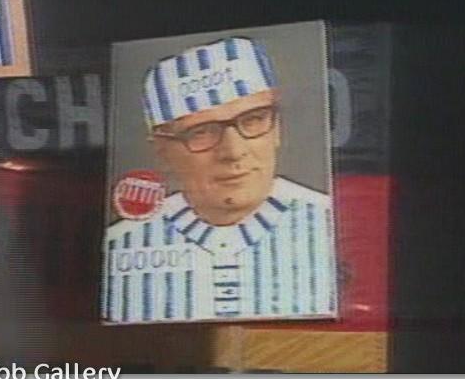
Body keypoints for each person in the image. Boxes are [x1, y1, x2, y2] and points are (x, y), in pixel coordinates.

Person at [103, 37, 336, 323]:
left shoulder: (330, 225)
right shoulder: (121, 245)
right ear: (162, 151)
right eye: (201, 132)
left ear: (277, 129)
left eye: (253, 120)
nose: (234, 151)